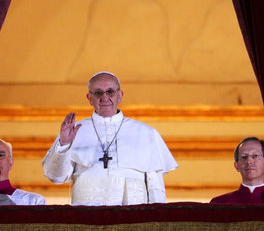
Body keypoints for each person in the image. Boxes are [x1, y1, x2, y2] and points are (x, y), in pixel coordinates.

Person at [42, 71, 178, 205]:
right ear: (89, 98)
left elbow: (155, 187)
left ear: (120, 95)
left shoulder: (146, 133)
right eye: (98, 93)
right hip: (86, 214)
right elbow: (56, 177)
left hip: (133, 214)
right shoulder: (72, 131)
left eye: (110, 92)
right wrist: (64, 145)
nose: (104, 98)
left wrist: (157, 216)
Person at [210, 137, 264, 204]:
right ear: (236, 166)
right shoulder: (219, 204)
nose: (249, 161)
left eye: (255, 156)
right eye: (244, 157)